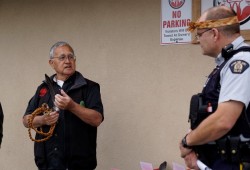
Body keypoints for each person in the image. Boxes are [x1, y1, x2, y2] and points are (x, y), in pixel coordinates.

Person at [179, 6, 250, 170]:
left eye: (199, 35)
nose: (196, 41)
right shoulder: (225, 64)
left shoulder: (240, 63)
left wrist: (187, 141)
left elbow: (223, 120)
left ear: (215, 34)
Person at [23, 41, 104, 170]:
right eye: (62, 57)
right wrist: (43, 120)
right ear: (51, 63)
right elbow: (26, 121)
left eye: (71, 57)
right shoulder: (43, 89)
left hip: (80, 164)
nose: (68, 61)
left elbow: (97, 119)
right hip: (49, 164)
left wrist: (72, 106)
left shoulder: (89, 87)